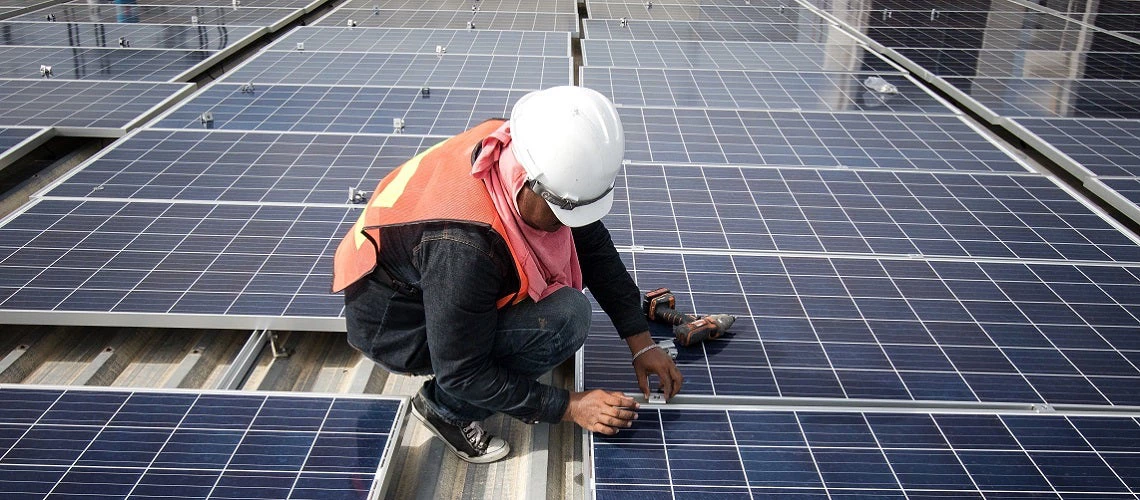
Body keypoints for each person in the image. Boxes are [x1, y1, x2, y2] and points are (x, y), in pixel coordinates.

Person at [332, 86, 683, 463]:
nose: (568, 225)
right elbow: (463, 372)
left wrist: (641, 342)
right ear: (530, 184)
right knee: (566, 319)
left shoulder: (523, 145)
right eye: (563, 212)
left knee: (556, 305)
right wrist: (569, 406)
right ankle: (444, 411)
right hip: (397, 327)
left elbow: (592, 243)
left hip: (431, 283)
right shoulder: (465, 248)